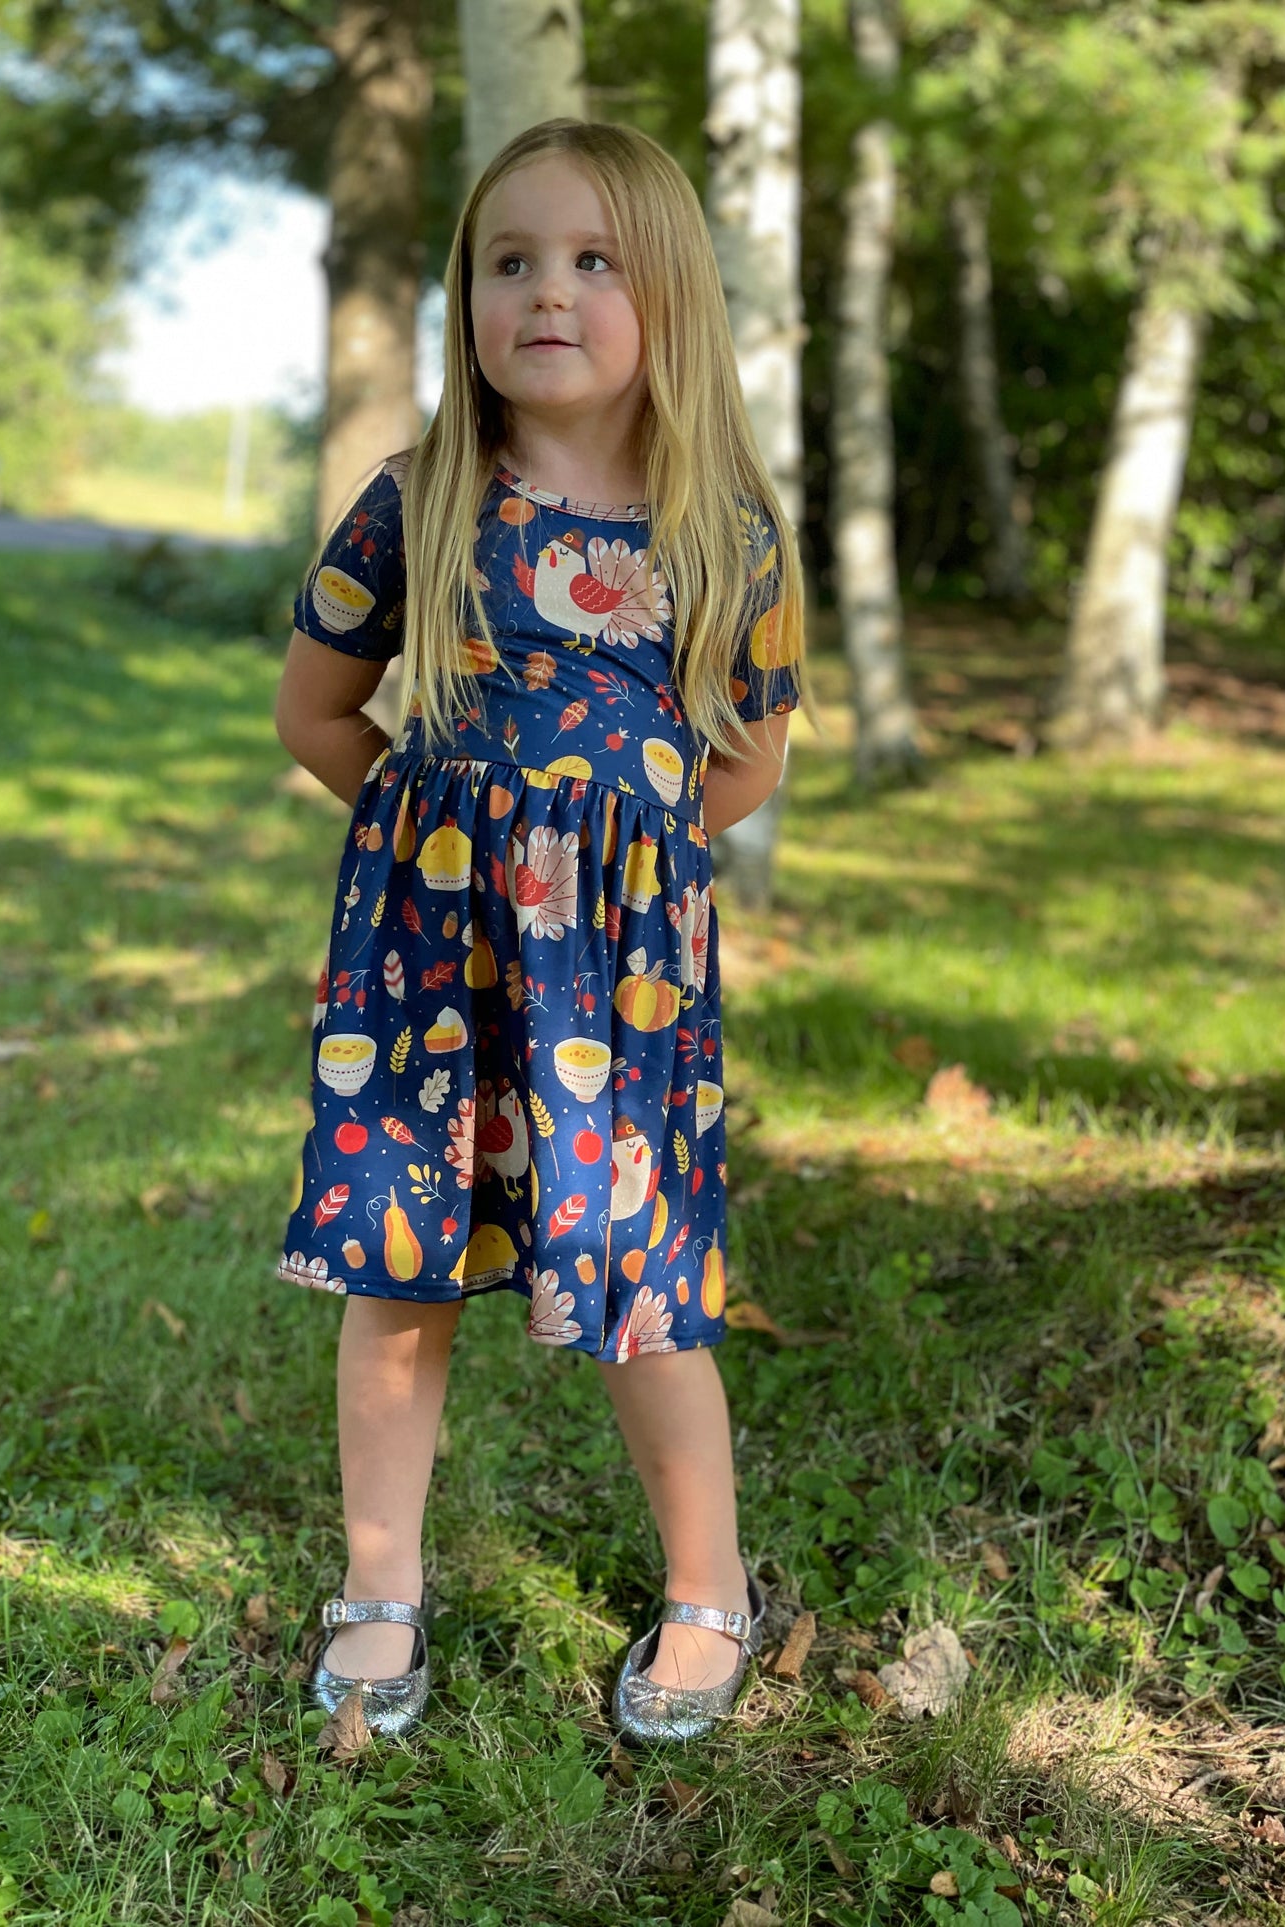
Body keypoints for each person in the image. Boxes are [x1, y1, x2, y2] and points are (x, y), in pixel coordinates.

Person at [273, 116, 809, 1745]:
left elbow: (750, 763)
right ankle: (380, 1584)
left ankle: (706, 1585)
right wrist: (429, 855)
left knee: (634, 1283)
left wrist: (609, 866)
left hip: (620, 982)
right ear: (467, 300)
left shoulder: (724, 533)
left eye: (592, 260)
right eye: (510, 260)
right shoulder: (424, 500)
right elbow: (315, 715)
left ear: (670, 300)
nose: (548, 292)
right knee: (398, 1272)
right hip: (420, 966)